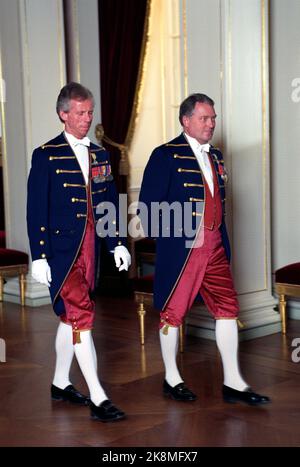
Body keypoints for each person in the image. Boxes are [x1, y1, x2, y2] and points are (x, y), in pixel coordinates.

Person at [139, 93, 270, 406]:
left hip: (215, 246)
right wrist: (173, 241)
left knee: (228, 309)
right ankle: (172, 378)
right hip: (184, 249)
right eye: (204, 118)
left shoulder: (216, 156)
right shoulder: (165, 155)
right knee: (173, 312)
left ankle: (233, 381)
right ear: (186, 121)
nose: (211, 124)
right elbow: (147, 208)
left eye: (213, 118)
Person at [27, 82, 131, 422]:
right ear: (63, 114)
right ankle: (98, 396)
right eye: (81, 112)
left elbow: (108, 203)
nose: (87, 119)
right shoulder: (46, 154)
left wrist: (116, 242)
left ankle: (60, 382)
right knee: (81, 316)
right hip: (61, 251)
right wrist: (39, 255)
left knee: (70, 317)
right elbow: (35, 208)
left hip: (91, 249)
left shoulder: (99, 153)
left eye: (90, 112)